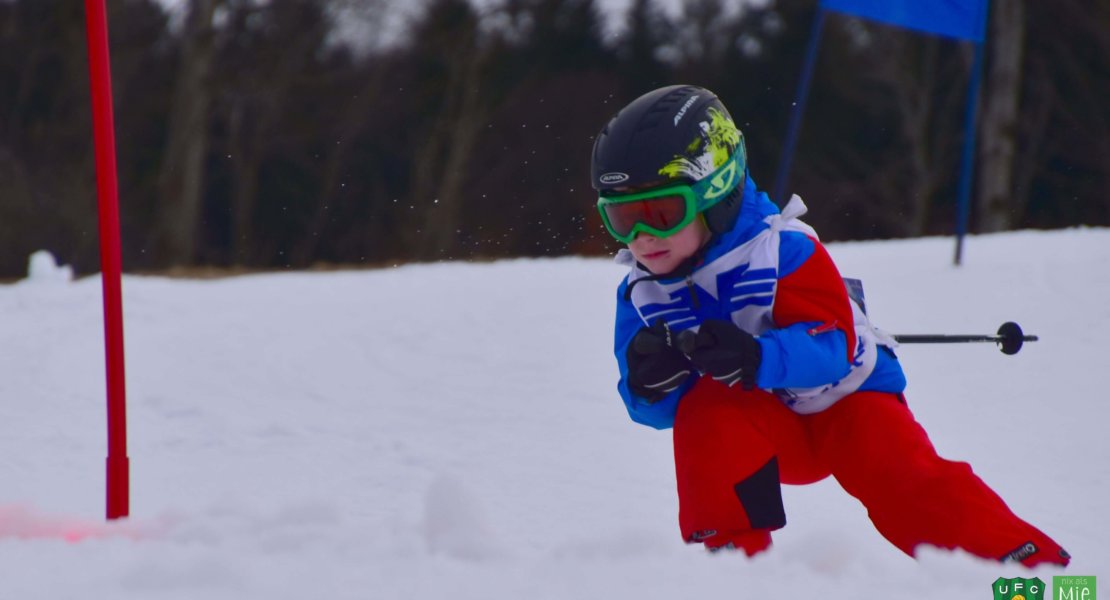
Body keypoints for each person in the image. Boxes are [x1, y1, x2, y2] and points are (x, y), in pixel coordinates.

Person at [590, 85, 1070, 567]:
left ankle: (1030, 574)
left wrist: (760, 356)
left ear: (716, 190)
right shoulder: (641, 294)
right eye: (621, 217)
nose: (641, 238)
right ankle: (734, 569)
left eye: (659, 212)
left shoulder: (784, 251)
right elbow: (650, 412)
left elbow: (833, 347)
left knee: (894, 472)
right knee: (706, 411)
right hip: (770, 432)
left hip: (849, 404)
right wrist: (649, 385)